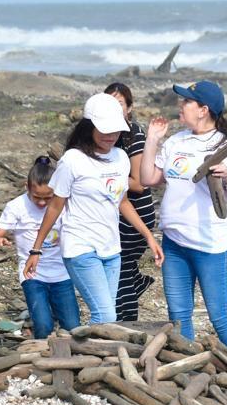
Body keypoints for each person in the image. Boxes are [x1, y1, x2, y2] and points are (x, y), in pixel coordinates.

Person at [28, 93, 163, 325]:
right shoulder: (72, 159)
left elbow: (122, 202)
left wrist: (149, 236)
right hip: (80, 247)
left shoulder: (121, 158)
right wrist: (36, 250)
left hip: (111, 248)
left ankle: (93, 356)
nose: (111, 136)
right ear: (88, 127)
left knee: (107, 317)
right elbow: (55, 207)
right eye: (105, 130)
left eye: (116, 131)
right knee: (106, 315)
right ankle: (88, 354)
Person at [141, 80, 227, 358]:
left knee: (220, 315)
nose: (181, 105)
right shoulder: (177, 141)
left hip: (211, 245)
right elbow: (148, 179)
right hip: (175, 243)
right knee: (178, 315)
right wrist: (152, 140)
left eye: (187, 101)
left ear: (203, 110)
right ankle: (187, 368)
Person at [0, 156, 80, 339]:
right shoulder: (16, 206)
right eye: (36, 197)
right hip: (32, 273)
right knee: (43, 324)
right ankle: (39, 355)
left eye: (47, 198)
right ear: (27, 188)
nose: (41, 203)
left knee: (72, 326)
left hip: (62, 273)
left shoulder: (64, 205)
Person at [105, 82, 157, 322]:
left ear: (129, 108)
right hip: (113, 210)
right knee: (121, 269)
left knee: (121, 266)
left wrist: (101, 176)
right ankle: (125, 313)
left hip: (135, 210)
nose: (114, 109)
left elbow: (138, 183)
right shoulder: (101, 132)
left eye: (120, 104)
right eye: (109, 103)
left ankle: (126, 321)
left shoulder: (133, 133)